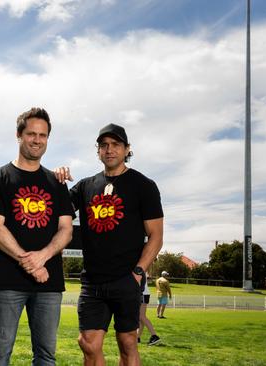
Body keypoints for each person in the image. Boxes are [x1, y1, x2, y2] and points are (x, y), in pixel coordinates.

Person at [55, 122, 164, 366]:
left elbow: (156, 236)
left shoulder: (144, 186)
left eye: (116, 145)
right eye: (104, 145)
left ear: (127, 149)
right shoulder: (85, 186)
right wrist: (56, 178)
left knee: (127, 343)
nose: (109, 149)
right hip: (92, 281)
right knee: (88, 344)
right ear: (98, 151)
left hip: (126, 279)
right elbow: (55, 207)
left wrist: (137, 273)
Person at [0, 107, 74, 365]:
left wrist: (42, 257)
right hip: (7, 282)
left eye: (43, 135)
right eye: (31, 133)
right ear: (19, 135)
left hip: (49, 283)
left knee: (45, 355)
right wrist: (30, 263)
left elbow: (66, 229)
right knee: (0, 353)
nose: (37, 140)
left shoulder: (57, 183)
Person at [137, 280, 160, 346]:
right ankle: (137, 337)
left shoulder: (138, 270)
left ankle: (154, 336)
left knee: (141, 316)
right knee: (140, 318)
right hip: (143, 293)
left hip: (142, 293)